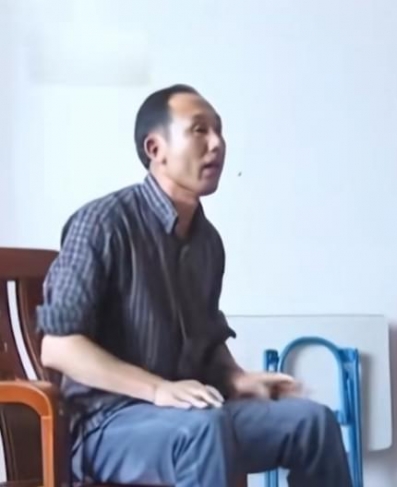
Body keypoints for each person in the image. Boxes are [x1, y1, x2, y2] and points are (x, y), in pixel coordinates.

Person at [37, 84, 353, 487]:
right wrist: (157, 390)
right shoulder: (102, 224)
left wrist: (237, 378)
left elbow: (207, 339)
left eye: (219, 130)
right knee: (202, 429)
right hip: (106, 424)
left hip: (191, 414)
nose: (217, 143)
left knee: (312, 423)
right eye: (199, 130)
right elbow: (59, 346)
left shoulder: (207, 242)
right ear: (156, 148)